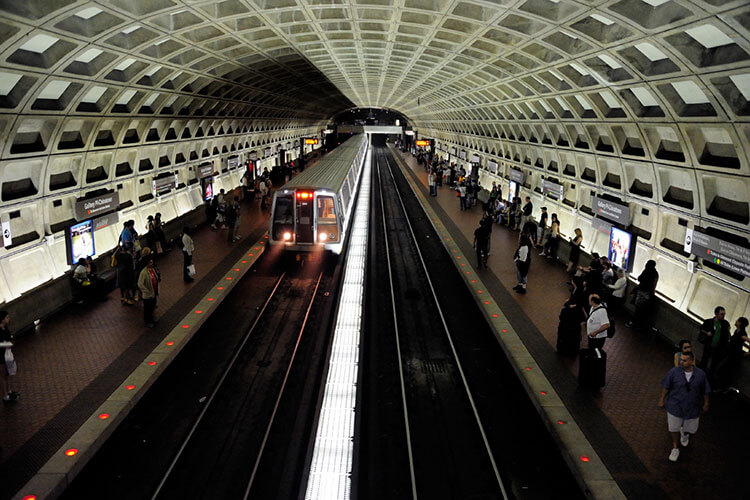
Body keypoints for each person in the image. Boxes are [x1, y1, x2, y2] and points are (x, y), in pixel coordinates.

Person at [658, 351, 710, 462]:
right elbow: (666, 386)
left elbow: (705, 391)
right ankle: (675, 447)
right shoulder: (674, 372)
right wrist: (662, 399)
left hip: (692, 408)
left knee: (690, 428)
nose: (681, 362)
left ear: (692, 361)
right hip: (675, 406)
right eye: (681, 359)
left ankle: (685, 434)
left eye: (685, 360)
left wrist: (706, 403)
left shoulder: (701, 375)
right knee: (673, 427)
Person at [715, 317, 749, 390]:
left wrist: (748, 353)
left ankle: (722, 388)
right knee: (724, 370)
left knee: (723, 370)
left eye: (737, 320)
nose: (735, 321)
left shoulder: (741, 333)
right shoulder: (737, 331)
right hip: (730, 354)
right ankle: (722, 387)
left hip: (734, 356)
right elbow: (733, 340)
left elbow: (746, 340)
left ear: (740, 323)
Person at [698, 306, 731, 377]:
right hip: (708, 345)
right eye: (721, 314)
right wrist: (707, 333)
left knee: (714, 364)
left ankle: (709, 378)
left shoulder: (725, 323)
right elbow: (701, 329)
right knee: (704, 361)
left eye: (724, 314)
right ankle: (700, 376)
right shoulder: (708, 322)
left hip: (718, 348)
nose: (723, 316)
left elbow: (727, 335)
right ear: (716, 314)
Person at [627, 260, 659, 331]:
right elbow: (654, 285)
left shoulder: (646, 271)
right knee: (643, 311)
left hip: (641, 292)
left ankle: (634, 324)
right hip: (648, 294)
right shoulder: (655, 274)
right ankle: (640, 325)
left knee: (638, 310)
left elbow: (639, 278)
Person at [0, 311, 19, 402]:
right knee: (2, 375)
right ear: (2, 319)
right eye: (7, 317)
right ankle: (5, 395)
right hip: (0, 355)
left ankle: (9, 391)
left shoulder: (5, 328)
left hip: (6, 353)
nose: (8, 319)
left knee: (6, 374)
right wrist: (7, 344)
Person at [137, 257, 159, 328]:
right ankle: (148, 321)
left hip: (153, 292)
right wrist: (146, 291)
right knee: (147, 309)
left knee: (152, 307)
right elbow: (140, 284)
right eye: (150, 262)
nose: (151, 264)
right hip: (148, 295)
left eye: (152, 262)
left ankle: (151, 320)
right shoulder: (143, 272)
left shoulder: (152, 269)